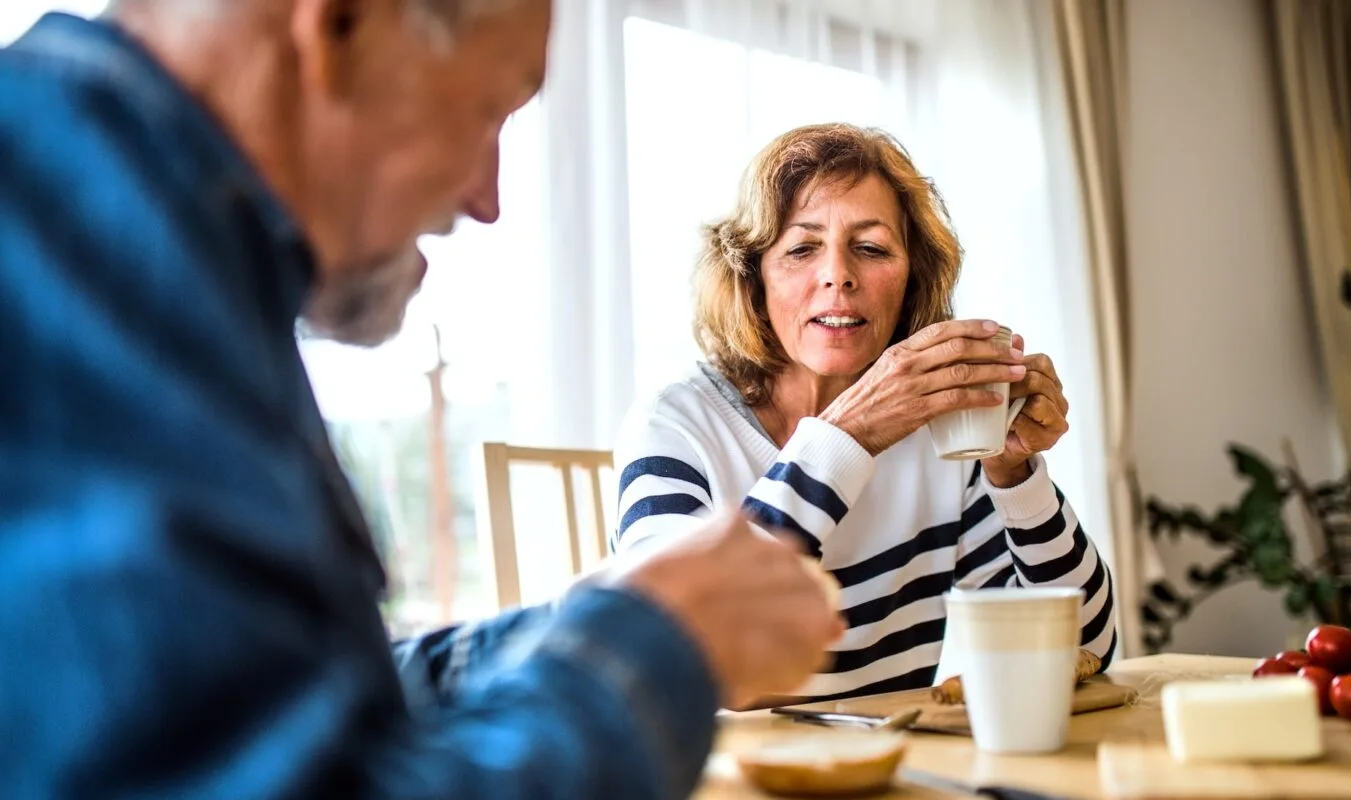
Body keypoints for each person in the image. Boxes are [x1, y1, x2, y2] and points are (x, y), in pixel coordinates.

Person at [0, 1, 845, 797]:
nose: (489, 198)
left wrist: (581, 626)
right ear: (338, 24)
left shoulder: (149, 236)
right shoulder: (70, 247)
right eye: (490, 110)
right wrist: (660, 647)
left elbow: (268, 707)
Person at [612, 122, 1117, 702]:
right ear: (752, 278)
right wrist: (847, 436)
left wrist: (1015, 476)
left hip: (893, 772)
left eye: (872, 248)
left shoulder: (941, 433)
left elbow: (1088, 647)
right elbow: (664, 651)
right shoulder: (677, 422)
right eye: (801, 249)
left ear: (912, 278)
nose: (838, 275)